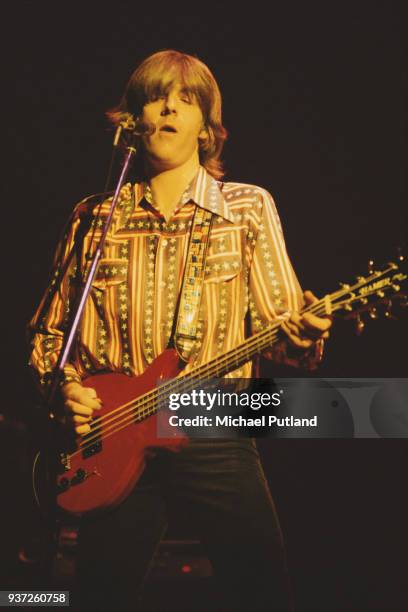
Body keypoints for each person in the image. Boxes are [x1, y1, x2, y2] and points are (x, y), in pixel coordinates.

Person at [28, 50, 331, 611]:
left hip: (215, 417)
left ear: (208, 128)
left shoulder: (246, 208)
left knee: (262, 589)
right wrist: (65, 386)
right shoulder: (94, 218)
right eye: (153, 96)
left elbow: (285, 337)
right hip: (112, 431)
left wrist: (308, 331)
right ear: (131, 120)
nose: (167, 106)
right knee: (99, 595)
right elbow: (49, 335)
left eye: (184, 100)